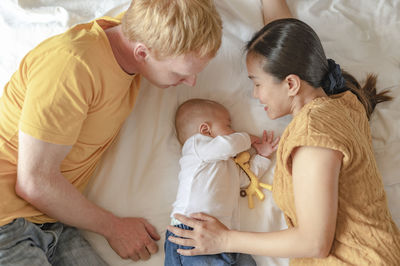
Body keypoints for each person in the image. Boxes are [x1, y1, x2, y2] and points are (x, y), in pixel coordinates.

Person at [166, 15, 400, 266]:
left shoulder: (313, 134)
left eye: (257, 83)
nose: (255, 95)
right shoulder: (345, 103)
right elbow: (292, 43)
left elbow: (314, 242)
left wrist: (224, 240)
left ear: (290, 83)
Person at [0, 0, 222, 265]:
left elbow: (171, 10)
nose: (191, 82)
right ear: (142, 52)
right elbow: (34, 182)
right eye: (180, 73)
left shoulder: (139, 31)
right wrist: (114, 227)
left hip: (51, 220)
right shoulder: (72, 66)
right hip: (6, 221)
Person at [165, 98, 279, 266]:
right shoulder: (195, 147)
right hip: (191, 231)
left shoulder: (227, 164)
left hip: (224, 236)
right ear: (205, 130)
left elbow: (245, 179)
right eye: (229, 126)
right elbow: (228, 146)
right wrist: (247, 138)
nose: (235, 132)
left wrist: (261, 157)